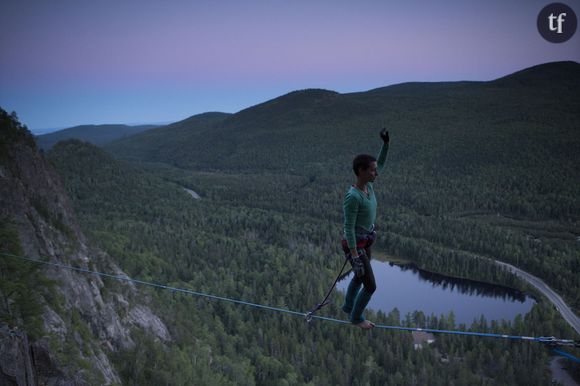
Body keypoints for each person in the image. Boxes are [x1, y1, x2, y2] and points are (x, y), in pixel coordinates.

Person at [341, 129, 389, 329]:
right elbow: (348, 227)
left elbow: (382, 164)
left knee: (359, 278)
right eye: (372, 170)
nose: (376, 173)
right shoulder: (353, 197)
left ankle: (348, 305)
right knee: (370, 285)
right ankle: (355, 317)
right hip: (355, 245)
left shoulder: (369, 187)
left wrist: (385, 144)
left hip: (364, 241)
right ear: (361, 171)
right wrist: (355, 256)